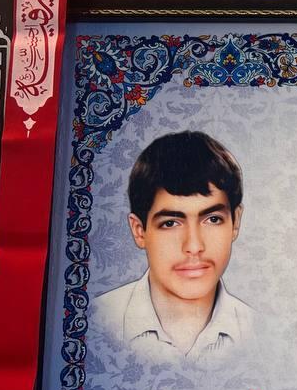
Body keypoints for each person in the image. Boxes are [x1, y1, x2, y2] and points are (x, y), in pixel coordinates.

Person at [92, 130, 256, 365]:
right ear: (139, 231)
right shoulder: (91, 324)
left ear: (235, 222)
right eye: (170, 223)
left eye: (212, 219)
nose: (194, 246)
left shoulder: (262, 333)